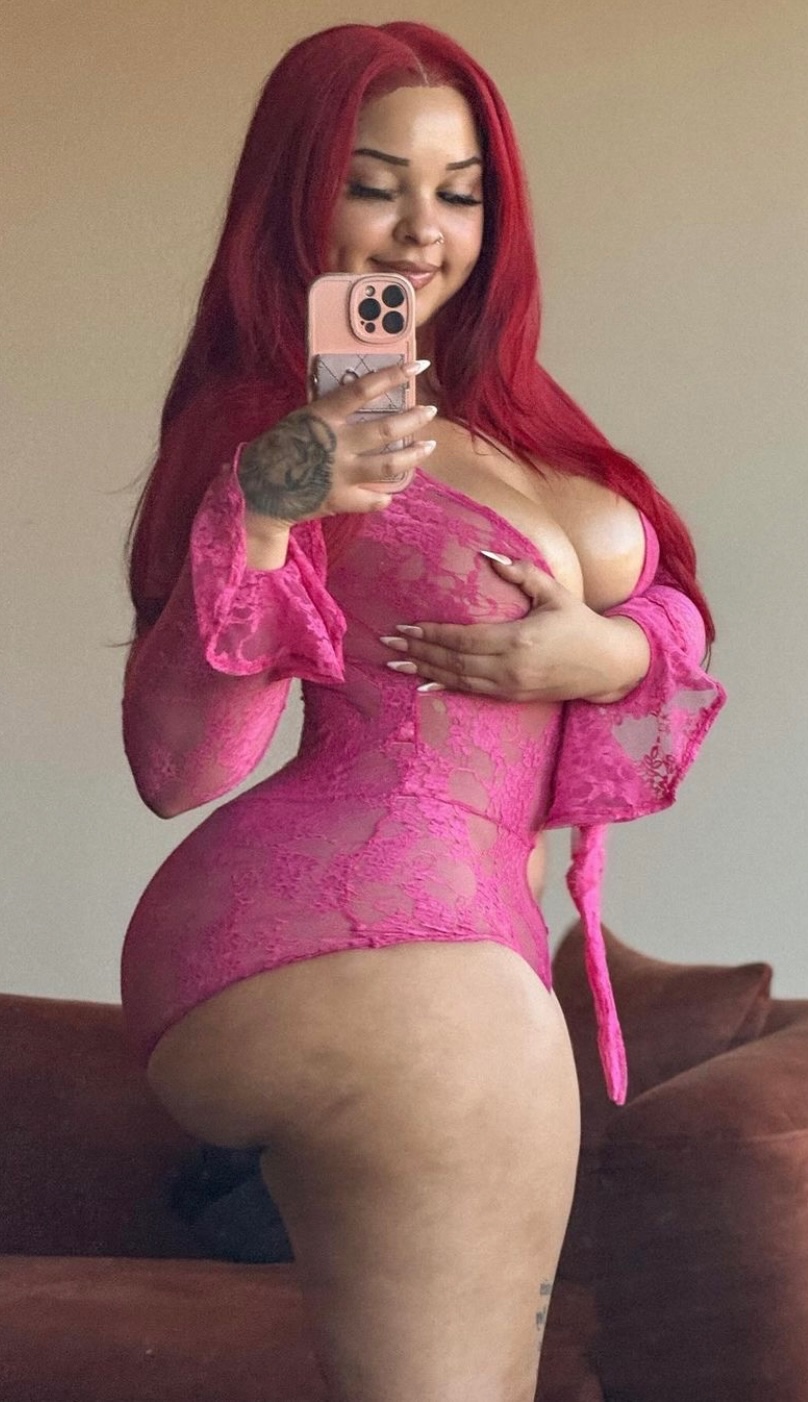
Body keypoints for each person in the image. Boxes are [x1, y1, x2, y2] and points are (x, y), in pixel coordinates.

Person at [121, 21, 725, 1402]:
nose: (419, 233)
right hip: (336, 943)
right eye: (373, 185)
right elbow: (178, 763)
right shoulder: (265, 426)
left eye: (458, 193)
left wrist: (605, 654)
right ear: (297, 198)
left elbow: (674, 619)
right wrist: (267, 505)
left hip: (473, 948)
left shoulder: (517, 417)